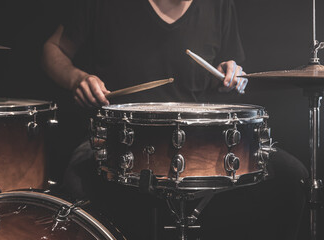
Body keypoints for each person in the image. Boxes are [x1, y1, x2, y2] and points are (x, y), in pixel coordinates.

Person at [42, 0, 308, 239]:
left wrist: (232, 73)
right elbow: (53, 49)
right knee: (77, 177)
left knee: (290, 177)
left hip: (202, 143)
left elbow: (230, 64)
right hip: (120, 139)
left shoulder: (219, 5)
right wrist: (77, 78)